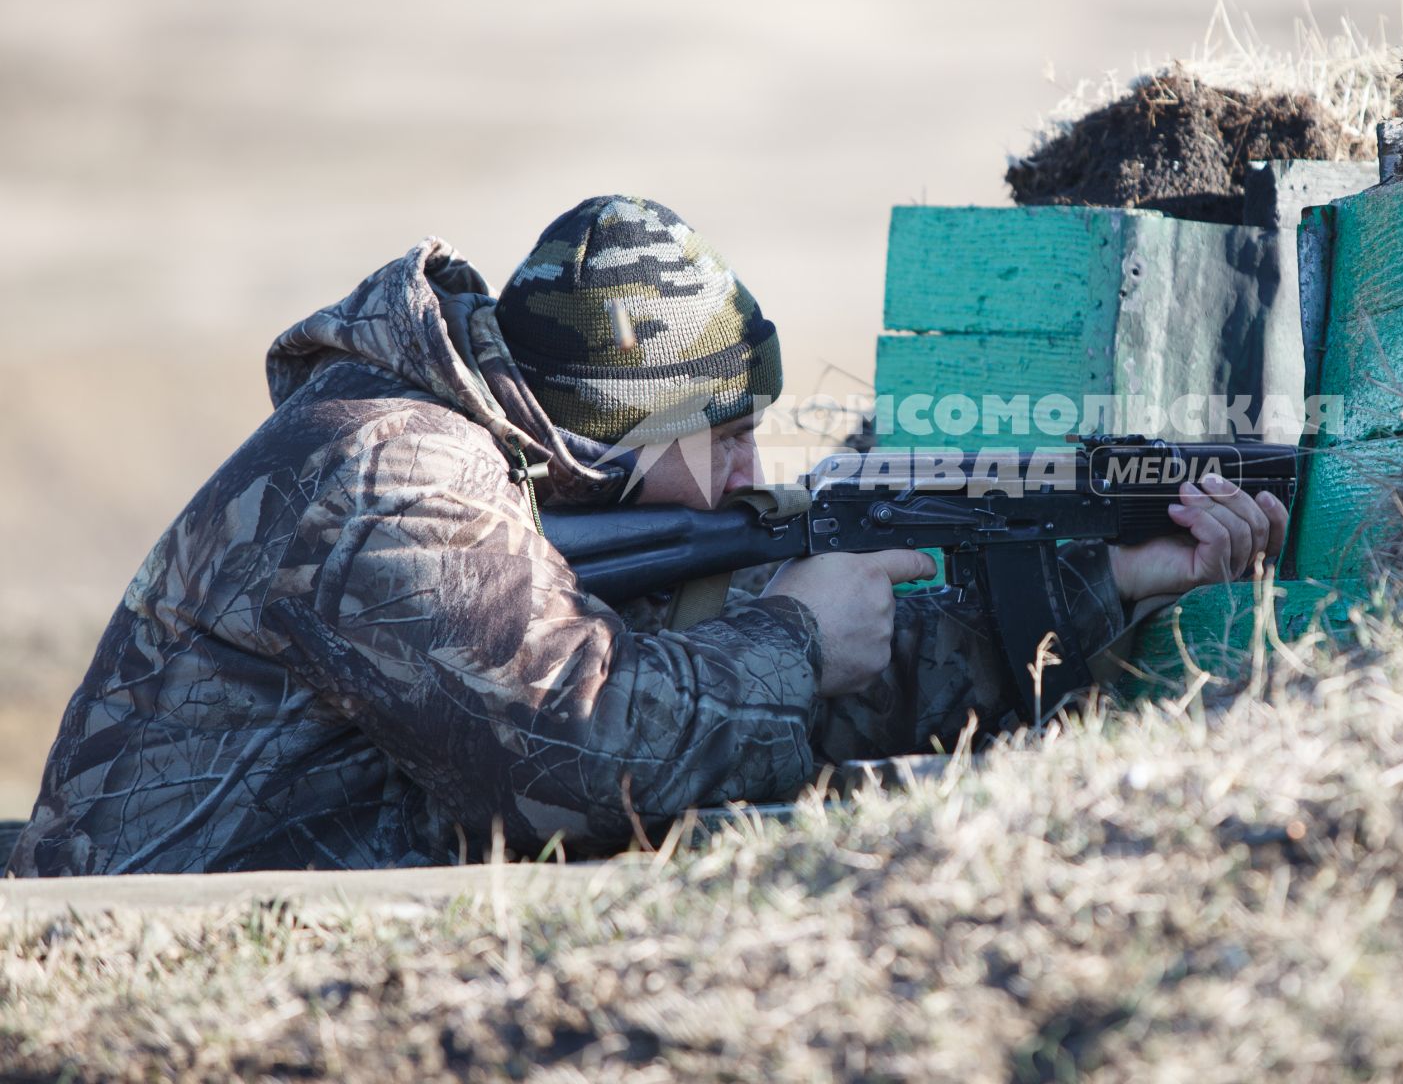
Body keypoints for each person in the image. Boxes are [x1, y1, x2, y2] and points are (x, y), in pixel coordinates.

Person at [6, 196, 1285, 876]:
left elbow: (753, 716)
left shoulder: (506, 488)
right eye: (720, 431)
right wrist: (794, 632)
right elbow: (582, 748)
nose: (748, 471)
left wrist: (1107, 579)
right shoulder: (394, 468)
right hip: (151, 926)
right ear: (614, 430)